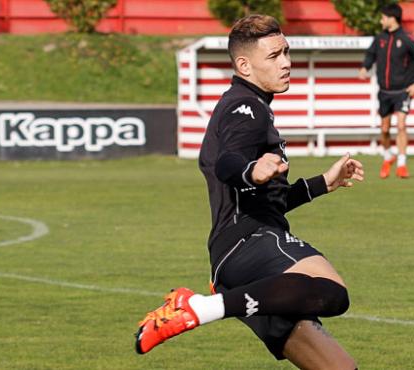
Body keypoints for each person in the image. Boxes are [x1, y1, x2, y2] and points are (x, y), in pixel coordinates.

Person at [134, 14, 364, 370]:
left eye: (286, 52)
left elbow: (267, 201)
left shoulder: (244, 106)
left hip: (237, 265)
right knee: (331, 291)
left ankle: (210, 305)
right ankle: (202, 308)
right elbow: (229, 162)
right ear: (244, 64)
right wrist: (250, 170)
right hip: (252, 242)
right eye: (274, 56)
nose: (286, 62)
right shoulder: (247, 108)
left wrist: (322, 184)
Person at [359, 4, 414, 179]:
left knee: (401, 125)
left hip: (403, 92)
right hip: (384, 92)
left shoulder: (407, 39)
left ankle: (402, 164)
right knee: (384, 129)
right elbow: (370, 55)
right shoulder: (379, 38)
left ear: (392, 18)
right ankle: (388, 156)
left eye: (383, 17)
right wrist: (365, 67)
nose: (381, 20)